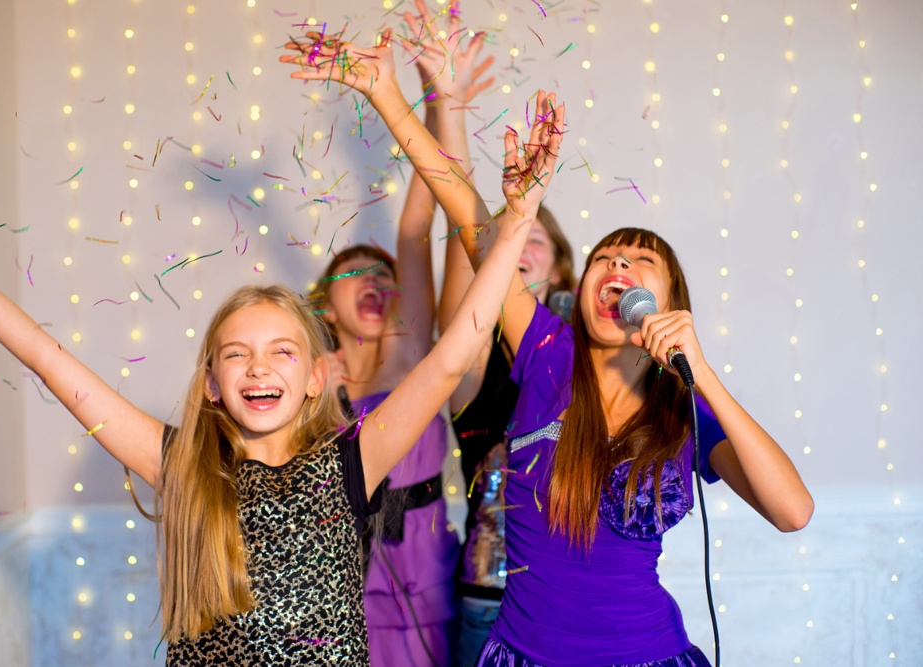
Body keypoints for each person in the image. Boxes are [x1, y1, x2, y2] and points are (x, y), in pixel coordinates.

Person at [0, 79, 562, 666]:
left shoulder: (354, 458)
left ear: (317, 376)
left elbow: (453, 355)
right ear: (210, 381)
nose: (258, 366)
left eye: (281, 351)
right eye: (237, 354)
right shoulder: (181, 462)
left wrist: (518, 223)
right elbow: (44, 356)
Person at [284, 26, 813, 667]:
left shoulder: (685, 411)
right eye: (606, 257)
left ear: (669, 301)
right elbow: (462, 207)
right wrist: (388, 94)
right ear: (582, 281)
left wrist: (700, 373)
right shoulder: (544, 348)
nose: (617, 265)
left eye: (640, 260)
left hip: (645, 654)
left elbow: (792, 512)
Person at [305, 4, 495, 663]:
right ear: (323, 305)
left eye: (383, 273)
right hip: (329, 602)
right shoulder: (298, 384)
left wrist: (441, 101)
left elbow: (419, 227)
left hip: (422, 594)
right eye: (351, 271)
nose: (374, 278)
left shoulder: (413, 357)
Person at [441, 203, 575, 667]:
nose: (516, 247)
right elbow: (463, 227)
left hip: (575, 604)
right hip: (489, 598)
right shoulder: (473, 355)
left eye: (532, 239)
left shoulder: (587, 357)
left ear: (560, 266)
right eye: (506, 239)